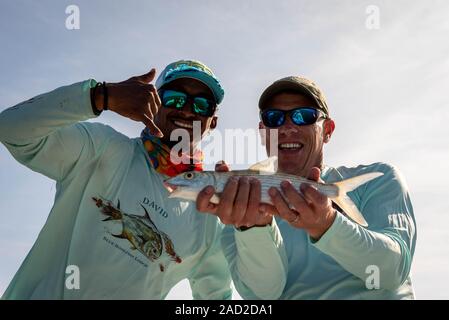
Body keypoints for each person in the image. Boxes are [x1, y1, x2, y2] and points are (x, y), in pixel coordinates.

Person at [0, 60, 232, 299]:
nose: (186, 110)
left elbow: (216, 299)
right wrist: (100, 96)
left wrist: (252, 224)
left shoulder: (209, 216)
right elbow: (10, 129)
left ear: (212, 121)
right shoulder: (102, 148)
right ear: (154, 102)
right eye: (174, 98)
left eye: (202, 105)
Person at [197, 76, 417, 299]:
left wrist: (327, 224)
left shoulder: (378, 179)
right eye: (274, 118)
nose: (287, 127)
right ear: (263, 133)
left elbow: (390, 272)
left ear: (328, 130)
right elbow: (263, 295)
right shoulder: (236, 213)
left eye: (304, 116)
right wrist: (253, 228)